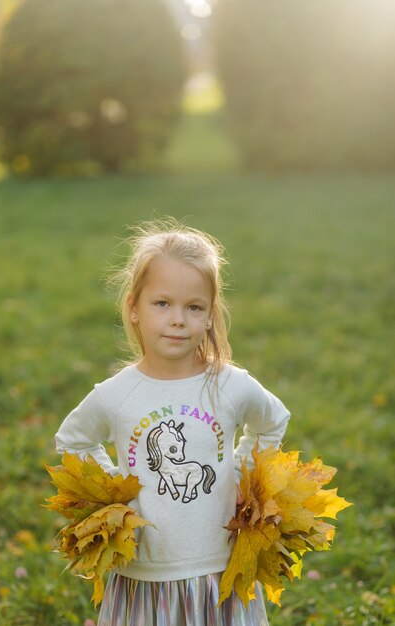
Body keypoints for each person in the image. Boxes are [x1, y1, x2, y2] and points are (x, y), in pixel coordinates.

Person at [55, 219, 291, 626]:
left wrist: (240, 473)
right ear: (134, 307)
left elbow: (272, 422)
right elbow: (72, 439)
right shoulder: (118, 394)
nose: (178, 319)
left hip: (219, 568)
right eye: (162, 303)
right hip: (144, 572)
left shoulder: (230, 386)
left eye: (193, 307)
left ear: (210, 315)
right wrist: (116, 491)